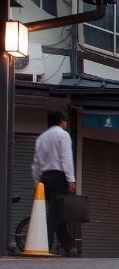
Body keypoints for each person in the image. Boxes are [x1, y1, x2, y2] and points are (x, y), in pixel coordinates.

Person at [31, 110, 77, 257]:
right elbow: (66, 159)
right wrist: (71, 180)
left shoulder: (41, 138)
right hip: (58, 178)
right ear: (61, 121)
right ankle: (45, 245)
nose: (66, 124)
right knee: (54, 214)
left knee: (57, 212)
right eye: (65, 121)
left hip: (45, 179)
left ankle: (69, 247)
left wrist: (37, 182)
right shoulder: (62, 135)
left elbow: (35, 164)